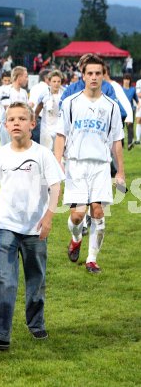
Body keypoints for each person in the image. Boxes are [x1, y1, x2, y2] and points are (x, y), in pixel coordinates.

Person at [0, 102, 64, 350]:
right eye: (11, 119)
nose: (16, 123)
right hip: (5, 224)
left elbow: (55, 186)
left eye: (22, 119)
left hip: (35, 227)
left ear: (32, 124)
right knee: (3, 278)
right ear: (5, 125)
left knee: (36, 279)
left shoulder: (42, 154)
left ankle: (36, 323)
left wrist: (48, 217)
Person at [54, 54, 125, 274]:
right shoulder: (71, 103)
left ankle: (91, 260)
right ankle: (76, 239)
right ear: (83, 76)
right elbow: (61, 135)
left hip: (101, 166)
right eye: (90, 73)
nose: (94, 77)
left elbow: (116, 140)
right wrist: (58, 162)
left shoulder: (112, 106)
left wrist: (120, 171)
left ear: (103, 76)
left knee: (97, 212)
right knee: (77, 215)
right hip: (76, 164)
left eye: (98, 73)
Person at [0, 66, 29, 146]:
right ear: (19, 77)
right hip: (7, 127)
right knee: (6, 153)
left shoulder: (24, 92)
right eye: (26, 76)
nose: (27, 79)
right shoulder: (6, 90)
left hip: (20, 127)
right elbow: (8, 110)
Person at [35, 69, 65, 151]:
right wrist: (33, 121)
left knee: (59, 152)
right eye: (54, 81)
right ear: (49, 82)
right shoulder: (44, 93)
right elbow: (38, 109)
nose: (56, 84)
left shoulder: (65, 93)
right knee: (46, 152)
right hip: (46, 127)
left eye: (58, 81)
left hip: (60, 127)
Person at [28, 69, 50, 144]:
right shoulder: (47, 89)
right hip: (42, 119)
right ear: (46, 78)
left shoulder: (34, 87)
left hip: (33, 118)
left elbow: (31, 103)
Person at [122, 73, 141, 150]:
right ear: (123, 80)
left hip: (130, 110)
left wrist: (138, 105)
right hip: (121, 110)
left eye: (128, 79)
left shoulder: (133, 89)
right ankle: (122, 144)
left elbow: (137, 100)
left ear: (130, 81)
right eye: (125, 79)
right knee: (120, 128)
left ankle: (130, 143)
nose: (126, 81)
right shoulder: (120, 89)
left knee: (130, 127)